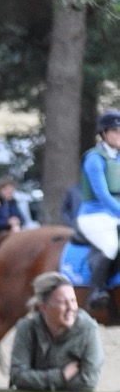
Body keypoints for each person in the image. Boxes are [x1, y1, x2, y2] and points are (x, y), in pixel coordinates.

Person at [76, 112, 120, 317]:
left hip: (114, 215)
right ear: (103, 133)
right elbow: (102, 194)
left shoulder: (118, 158)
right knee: (111, 245)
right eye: (115, 131)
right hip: (94, 215)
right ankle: (96, 291)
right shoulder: (94, 158)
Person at [0, 177, 31, 251]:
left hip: (6, 240)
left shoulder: (12, 203)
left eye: (11, 189)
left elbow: (22, 218)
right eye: (6, 189)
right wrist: (7, 222)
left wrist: (16, 221)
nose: (9, 192)